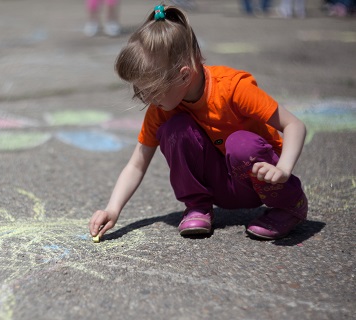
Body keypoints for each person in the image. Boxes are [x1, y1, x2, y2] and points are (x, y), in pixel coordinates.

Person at [89, 5, 308, 241]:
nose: (146, 99)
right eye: (140, 91)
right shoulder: (162, 109)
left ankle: (289, 205)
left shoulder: (233, 88)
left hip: (263, 180)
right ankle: (198, 206)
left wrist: (283, 169)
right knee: (175, 130)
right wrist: (112, 209)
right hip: (222, 188)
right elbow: (136, 165)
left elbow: (294, 125)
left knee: (240, 143)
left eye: (152, 91)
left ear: (184, 75)